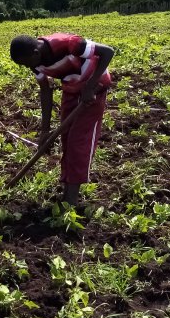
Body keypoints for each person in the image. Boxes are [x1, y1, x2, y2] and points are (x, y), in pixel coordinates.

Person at [9, 32, 114, 206]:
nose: (27, 68)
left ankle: (71, 199)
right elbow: (45, 90)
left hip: (93, 90)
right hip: (71, 88)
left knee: (78, 143)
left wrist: (90, 85)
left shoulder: (68, 44)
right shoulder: (34, 62)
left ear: (35, 53)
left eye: (26, 63)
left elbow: (107, 52)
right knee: (67, 140)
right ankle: (66, 190)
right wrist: (45, 131)